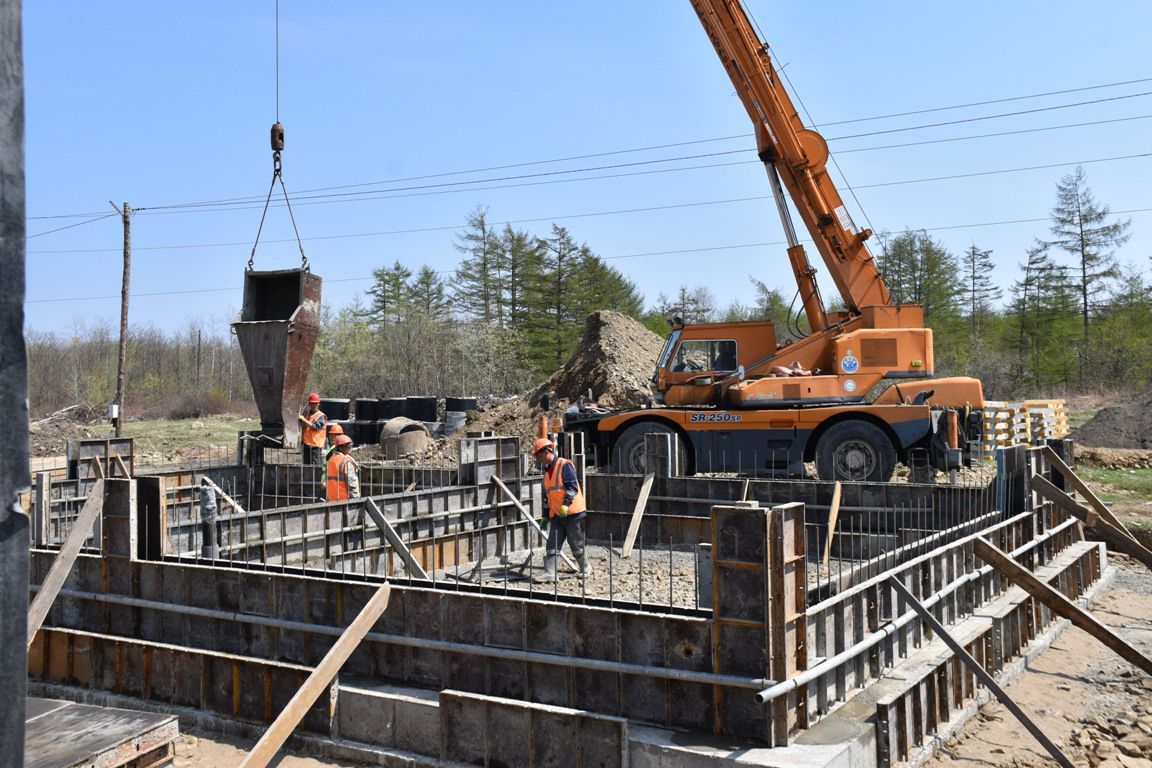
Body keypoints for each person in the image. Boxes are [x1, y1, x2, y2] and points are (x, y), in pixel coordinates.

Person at [532, 437, 590, 580]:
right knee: (552, 543)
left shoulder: (564, 465)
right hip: (557, 515)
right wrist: (545, 516)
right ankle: (550, 573)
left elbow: (572, 487)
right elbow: (547, 498)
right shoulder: (546, 475)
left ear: (547, 451)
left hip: (573, 513)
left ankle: (586, 568)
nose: (539, 459)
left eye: (540, 455)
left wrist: (565, 504)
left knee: (575, 543)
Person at [326, 434, 360, 500]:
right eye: (348, 447)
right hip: (344, 501)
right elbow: (352, 483)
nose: (350, 449)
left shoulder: (330, 460)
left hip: (331, 500)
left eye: (351, 446)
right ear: (340, 448)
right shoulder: (345, 461)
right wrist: (356, 500)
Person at [298, 392, 327, 465]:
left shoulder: (321, 416)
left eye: (315, 403)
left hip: (315, 447)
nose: (313, 405)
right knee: (306, 468)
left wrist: (304, 420)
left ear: (318, 404)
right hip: (306, 446)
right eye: (312, 403)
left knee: (316, 468)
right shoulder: (307, 414)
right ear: (309, 404)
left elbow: (316, 427)